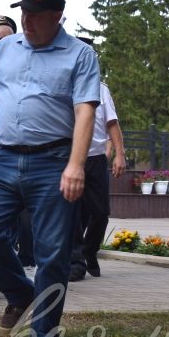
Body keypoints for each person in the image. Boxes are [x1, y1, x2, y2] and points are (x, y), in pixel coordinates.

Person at [0, 0, 100, 337]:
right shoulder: (6, 48)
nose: (26, 21)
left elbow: (85, 112)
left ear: (57, 17)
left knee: (52, 253)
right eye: (23, 12)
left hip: (53, 161)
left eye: (35, 15)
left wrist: (76, 165)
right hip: (4, 157)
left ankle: (45, 335)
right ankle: (21, 293)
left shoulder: (80, 55)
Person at [0, 15, 35, 278]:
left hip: (29, 152)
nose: (9, 42)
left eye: (11, 35)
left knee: (25, 214)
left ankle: (26, 258)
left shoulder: (32, 60)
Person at [69, 39, 126, 281]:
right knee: (71, 213)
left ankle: (89, 251)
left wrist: (120, 154)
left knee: (100, 212)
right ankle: (75, 262)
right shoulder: (63, 84)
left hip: (95, 159)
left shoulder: (101, 89)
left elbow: (111, 122)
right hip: (68, 159)